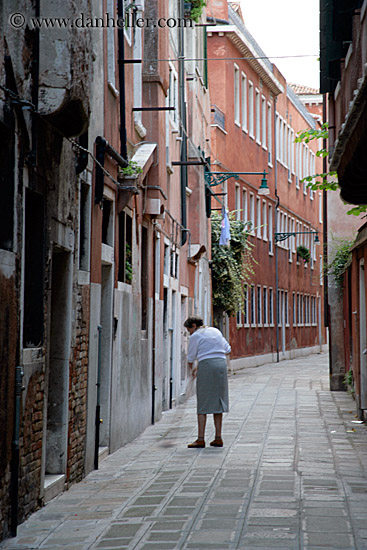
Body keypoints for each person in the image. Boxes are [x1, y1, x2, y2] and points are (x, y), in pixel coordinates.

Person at [184, 315, 231, 448]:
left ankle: (200, 439)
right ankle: (218, 437)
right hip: (221, 365)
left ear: (193, 326)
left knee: (203, 402)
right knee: (218, 401)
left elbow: (191, 357)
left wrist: (191, 371)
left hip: (207, 367)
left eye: (189, 330)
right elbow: (227, 349)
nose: (189, 333)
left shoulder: (195, 336)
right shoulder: (215, 331)